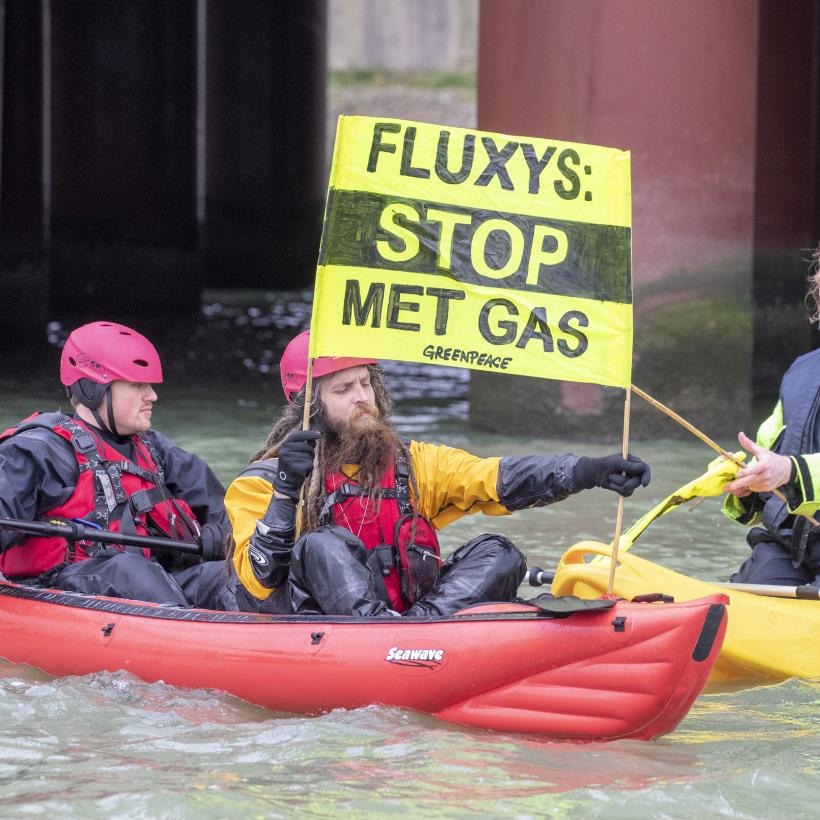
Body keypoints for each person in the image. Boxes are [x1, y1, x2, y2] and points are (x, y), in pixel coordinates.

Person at [225, 330, 652, 616]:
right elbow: (258, 584)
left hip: (414, 624)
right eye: (343, 389)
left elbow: (495, 478)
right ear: (308, 407)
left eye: (365, 383)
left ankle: (418, 635)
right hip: (325, 631)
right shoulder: (259, 482)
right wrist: (285, 491)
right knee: (322, 544)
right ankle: (388, 641)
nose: (362, 398)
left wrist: (585, 471)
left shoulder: (413, 464)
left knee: (499, 553)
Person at [0, 321, 234, 609]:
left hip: (155, 584)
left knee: (228, 578)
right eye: (137, 385)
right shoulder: (36, 452)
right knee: (128, 570)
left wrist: (221, 533)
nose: (152, 396)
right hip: (60, 588)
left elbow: (225, 510)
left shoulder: (157, 450)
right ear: (92, 390)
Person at [724, 245, 820, 587]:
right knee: (731, 609)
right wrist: (748, 481)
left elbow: (788, 469)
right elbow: (770, 451)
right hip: (788, 550)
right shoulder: (801, 372)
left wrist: (790, 470)